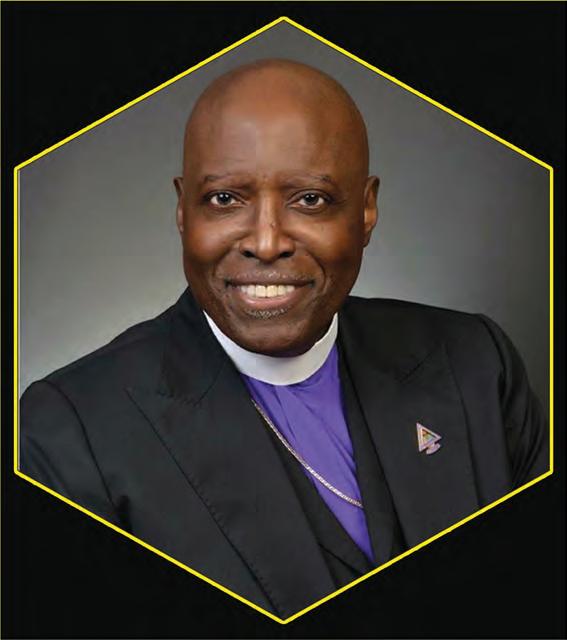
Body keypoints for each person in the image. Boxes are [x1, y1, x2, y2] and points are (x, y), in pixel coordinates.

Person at [19, 59, 548, 618]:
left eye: (310, 199)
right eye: (225, 199)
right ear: (182, 209)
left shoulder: (475, 365)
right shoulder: (68, 433)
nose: (267, 242)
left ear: (366, 209)